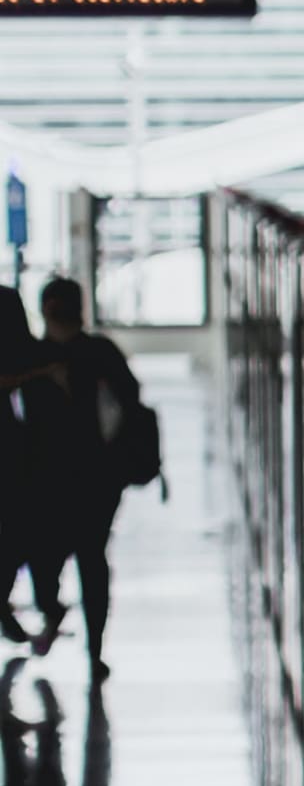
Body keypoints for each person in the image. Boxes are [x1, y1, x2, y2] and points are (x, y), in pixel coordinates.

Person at [5, 283, 150, 672]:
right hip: (89, 479)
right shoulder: (93, 352)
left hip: (62, 480)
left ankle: (70, 628)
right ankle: (89, 644)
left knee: (54, 557)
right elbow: (133, 403)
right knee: (84, 560)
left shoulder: (47, 357)